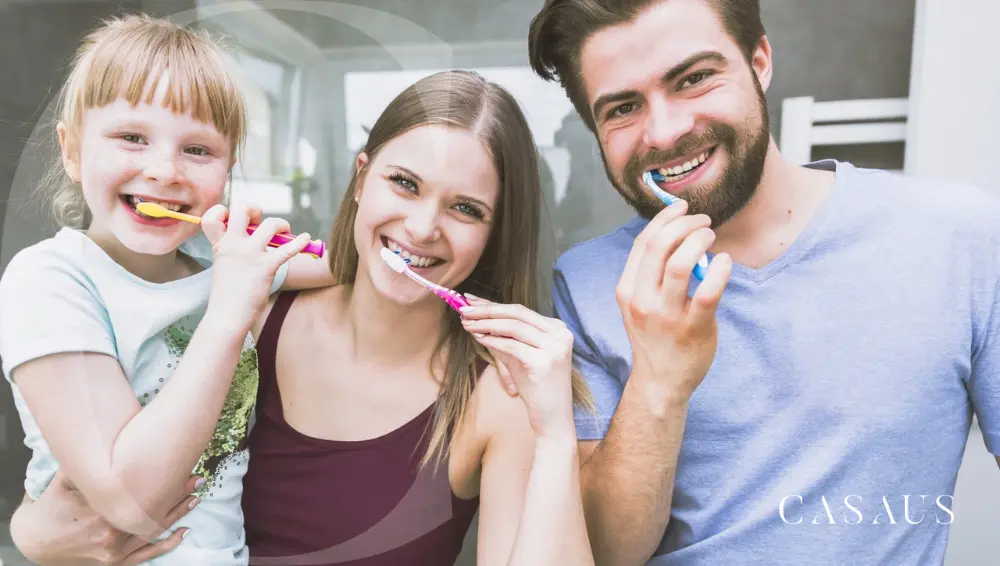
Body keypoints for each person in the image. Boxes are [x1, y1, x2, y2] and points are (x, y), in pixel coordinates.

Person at [10, 70, 598, 566]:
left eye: (466, 209)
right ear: (361, 177)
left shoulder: (501, 395)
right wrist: (32, 529)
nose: (422, 228)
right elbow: (101, 468)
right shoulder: (246, 313)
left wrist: (555, 441)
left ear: (496, 233)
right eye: (403, 183)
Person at [527, 0, 1000, 564]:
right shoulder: (583, 284)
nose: (666, 130)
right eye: (623, 108)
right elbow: (603, 552)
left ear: (760, 61)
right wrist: (659, 380)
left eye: (695, 78)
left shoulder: (959, 236)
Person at [1, 14, 335, 566]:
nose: (165, 170)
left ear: (227, 169)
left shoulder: (216, 261)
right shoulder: (51, 279)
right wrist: (229, 313)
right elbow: (131, 505)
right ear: (72, 150)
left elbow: (348, 263)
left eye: (198, 150)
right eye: (132, 138)